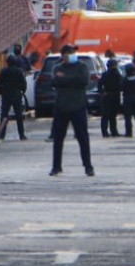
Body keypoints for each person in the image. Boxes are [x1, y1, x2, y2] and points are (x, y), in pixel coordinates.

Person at [50, 44, 94, 177]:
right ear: (63, 55)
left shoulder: (82, 66)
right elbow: (55, 81)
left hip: (78, 106)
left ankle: (88, 166)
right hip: (61, 107)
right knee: (58, 139)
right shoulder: (58, 67)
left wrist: (65, 79)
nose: (72, 54)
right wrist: (65, 80)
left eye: (73, 52)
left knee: (83, 138)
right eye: (69, 52)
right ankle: (56, 166)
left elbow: (83, 81)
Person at [0, 55, 28, 140]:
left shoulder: (4, 71)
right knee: (19, 116)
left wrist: (1, 92)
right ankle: (21, 135)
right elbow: (24, 84)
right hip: (16, 95)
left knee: (4, 116)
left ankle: (2, 135)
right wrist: (21, 92)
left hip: (6, 95)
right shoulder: (19, 71)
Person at [98, 58, 123, 138]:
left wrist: (102, 92)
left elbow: (99, 84)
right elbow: (100, 84)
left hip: (111, 96)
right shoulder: (113, 74)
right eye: (114, 64)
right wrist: (102, 92)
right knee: (108, 115)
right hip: (111, 96)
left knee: (110, 115)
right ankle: (110, 132)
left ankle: (110, 131)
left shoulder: (113, 74)